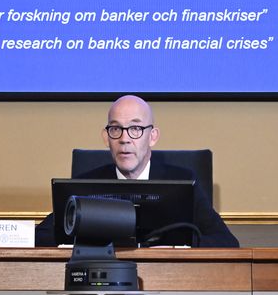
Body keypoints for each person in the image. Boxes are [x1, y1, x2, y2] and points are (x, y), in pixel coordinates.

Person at [35, 94, 237, 247]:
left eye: (136, 129)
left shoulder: (182, 181)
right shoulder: (87, 184)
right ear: (106, 138)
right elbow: (42, 236)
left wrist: (176, 245)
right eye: (116, 129)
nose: (124, 139)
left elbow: (226, 241)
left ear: (153, 137)